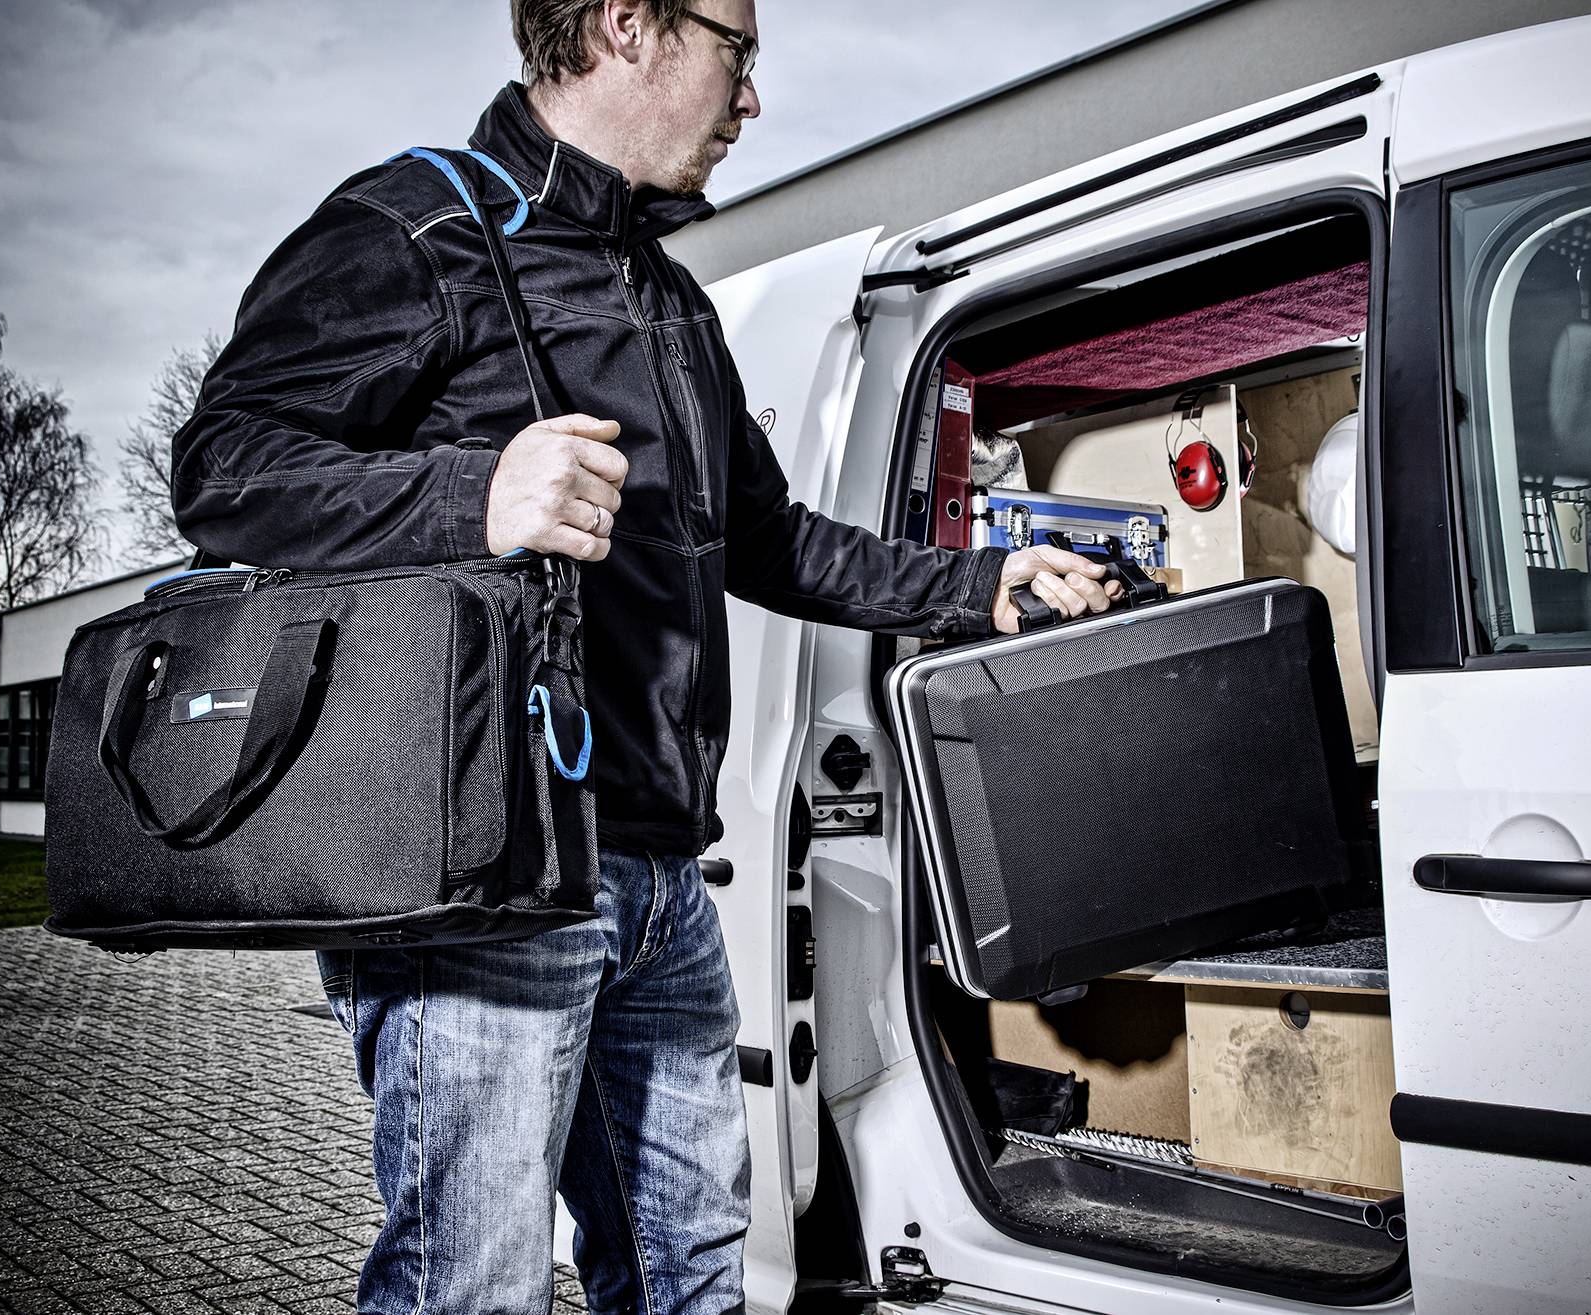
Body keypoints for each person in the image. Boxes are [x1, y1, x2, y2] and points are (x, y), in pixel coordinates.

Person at [170, 2, 1119, 1310]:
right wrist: (472, 496)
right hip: (484, 883)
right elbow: (224, 468)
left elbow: (773, 542)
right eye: (739, 47)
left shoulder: (666, 297)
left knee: (692, 1269)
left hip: (662, 880)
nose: (752, 97)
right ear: (628, 24)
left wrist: (981, 584)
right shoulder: (419, 227)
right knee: (475, 1285)